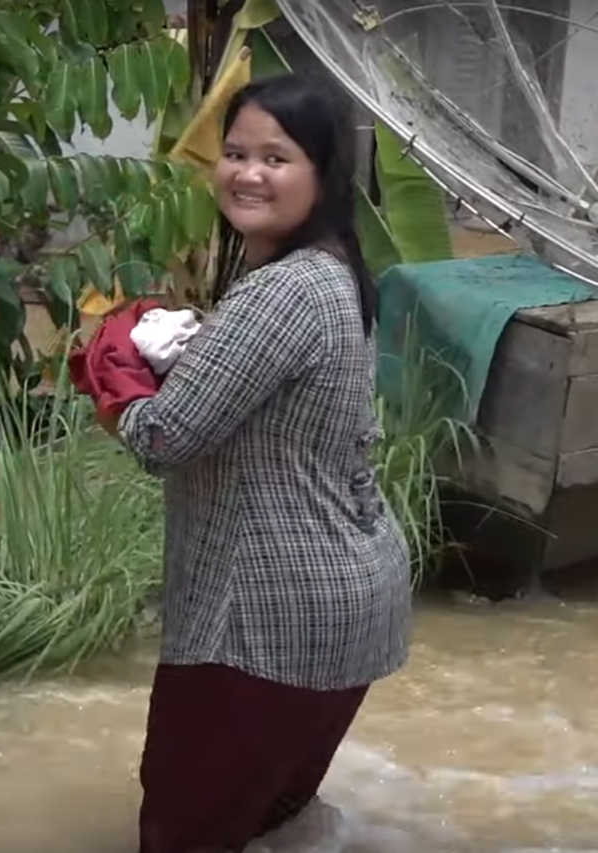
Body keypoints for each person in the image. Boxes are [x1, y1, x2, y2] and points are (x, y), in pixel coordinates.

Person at [106, 73, 413, 851]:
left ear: (323, 172)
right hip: (345, 611)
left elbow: (164, 438)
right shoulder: (336, 269)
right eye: (236, 152)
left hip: (262, 621)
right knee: (265, 820)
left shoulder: (282, 292)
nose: (246, 172)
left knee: (184, 830)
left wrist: (113, 371)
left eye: (276, 157)